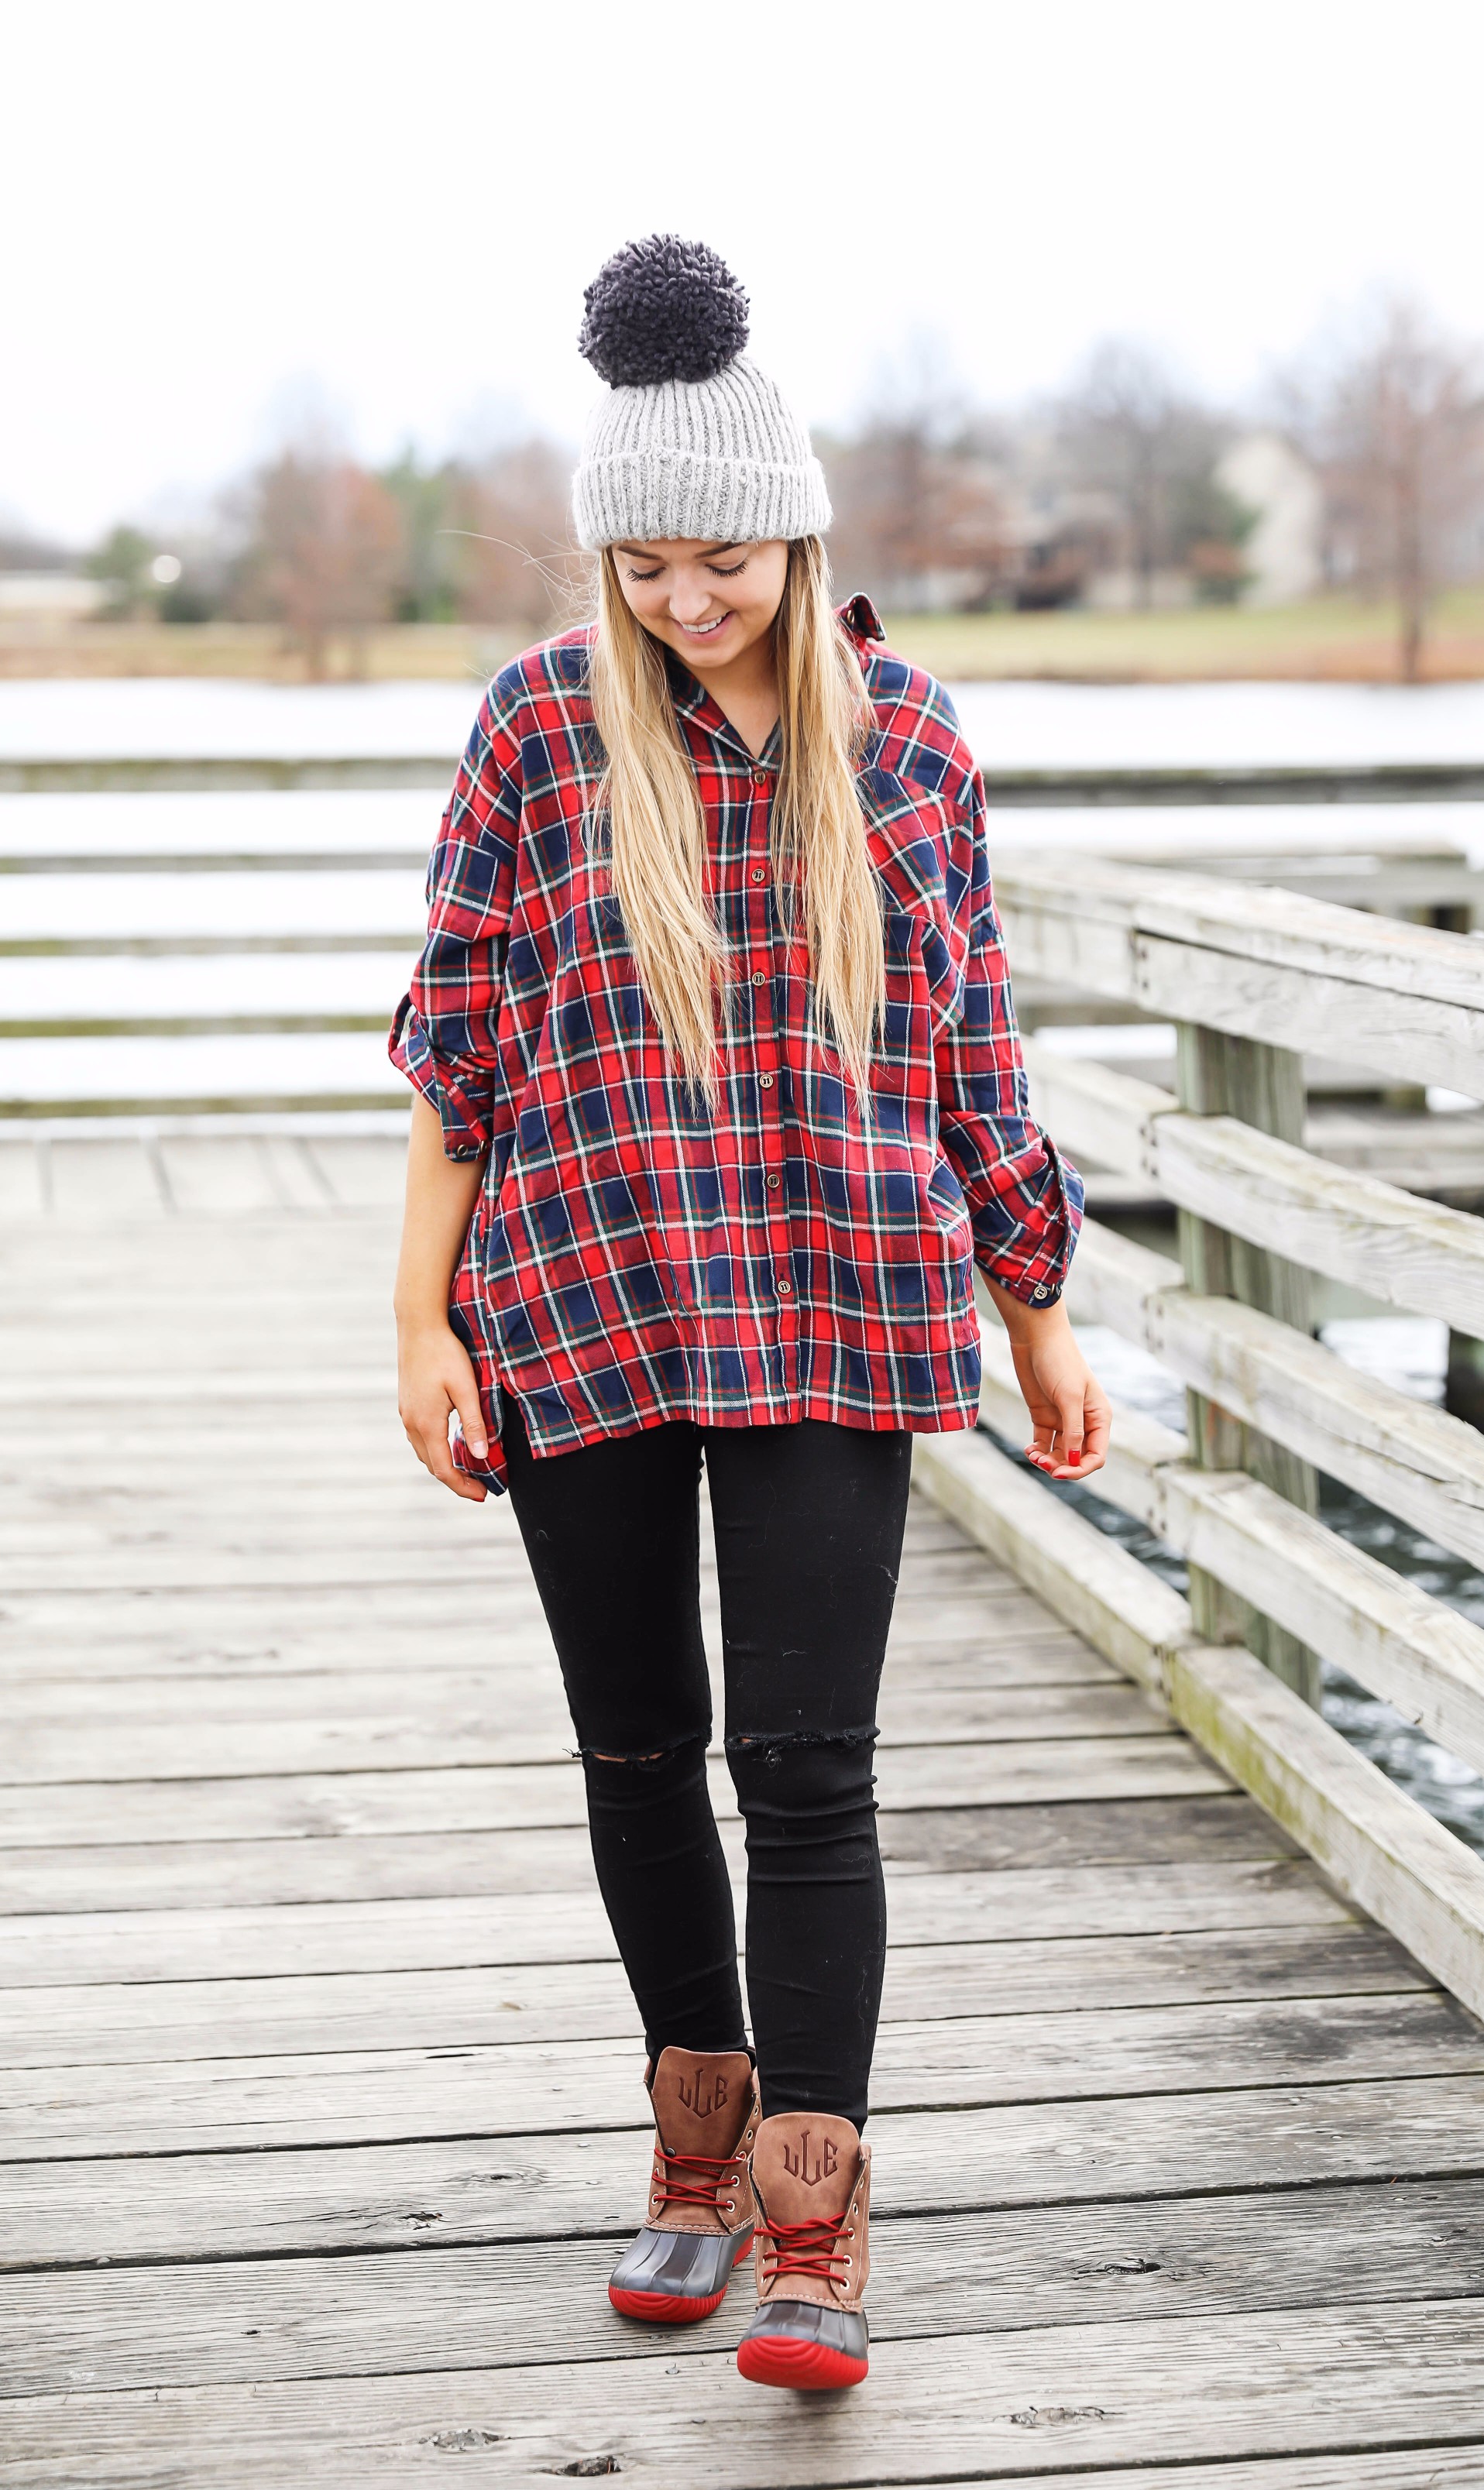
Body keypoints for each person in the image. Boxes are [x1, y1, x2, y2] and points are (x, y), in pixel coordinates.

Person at [391, 235, 1110, 2392]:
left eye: (719, 559)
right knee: (638, 1754)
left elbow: (976, 1051)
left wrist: (1042, 1307)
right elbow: (459, 1058)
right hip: (580, 1295)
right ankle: (688, 2160)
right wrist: (416, 1330)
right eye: (644, 567)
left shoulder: (903, 744)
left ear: (795, 533)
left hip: (833, 1295)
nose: (683, 601)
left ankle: (814, 2217)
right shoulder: (537, 732)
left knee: (805, 1769)